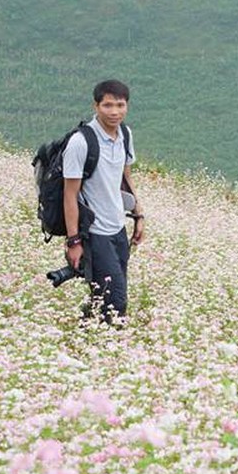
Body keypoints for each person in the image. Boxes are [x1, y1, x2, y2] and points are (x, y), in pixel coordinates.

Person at [62, 79, 144, 324]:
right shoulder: (80, 143)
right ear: (96, 106)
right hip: (95, 234)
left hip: (118, 228)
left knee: (105, 295)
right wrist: (74, 241)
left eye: (120, 105)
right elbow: (70, 194)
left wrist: (138, 215)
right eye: (108, 105)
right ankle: (108, 349)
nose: (115, 111)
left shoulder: (125, 135)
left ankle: (85, 335)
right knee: (116, 301)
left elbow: (125, 177)